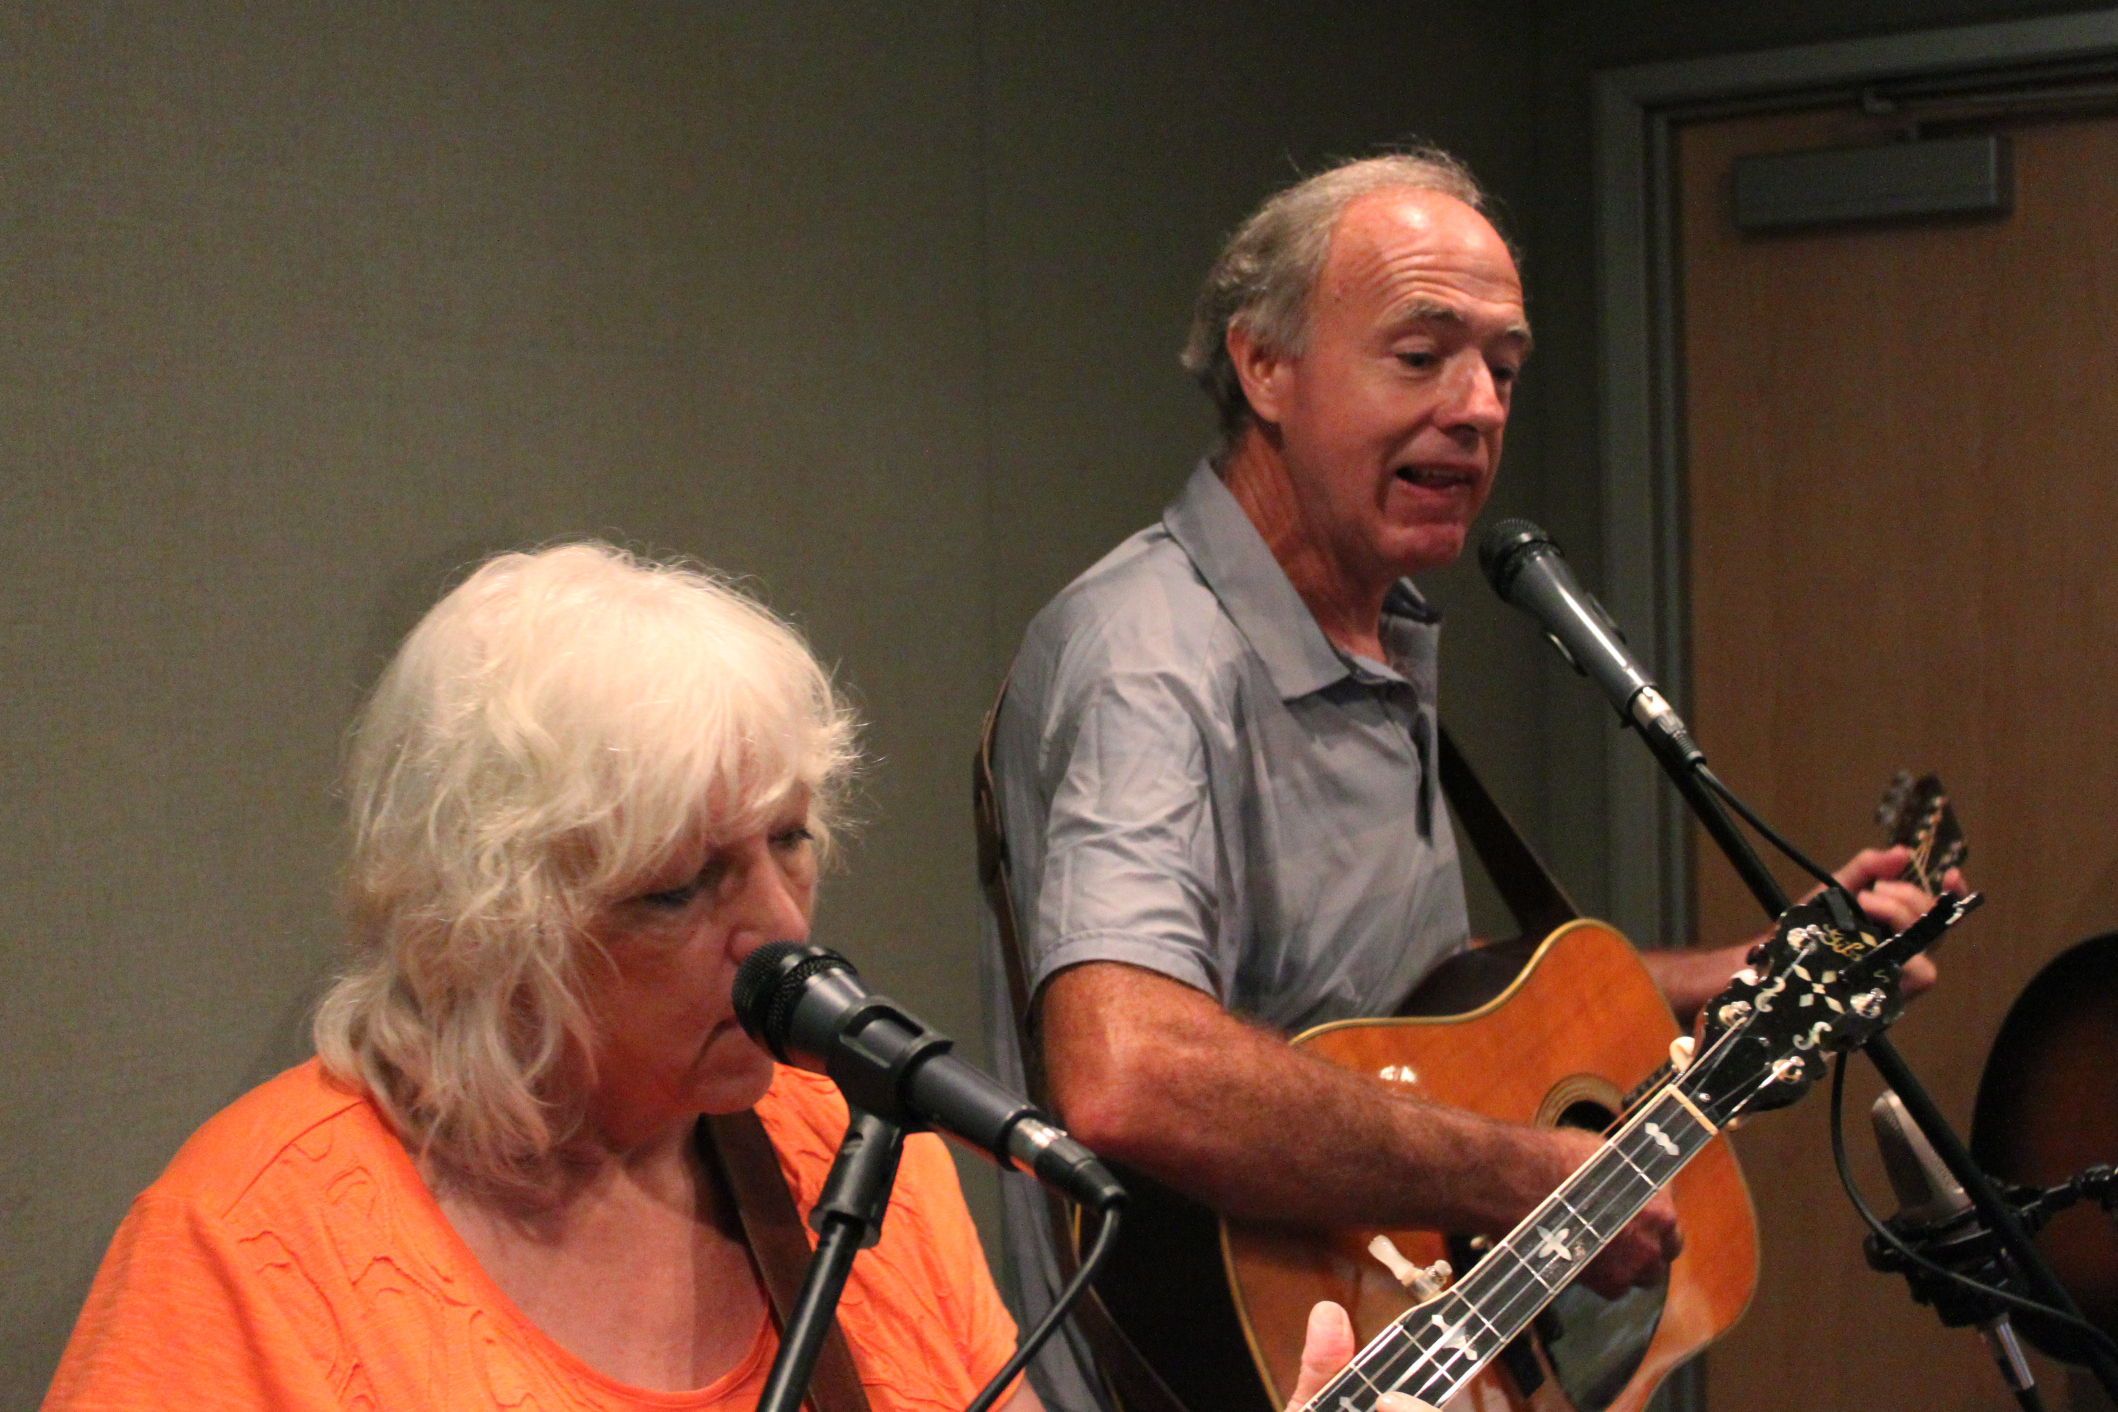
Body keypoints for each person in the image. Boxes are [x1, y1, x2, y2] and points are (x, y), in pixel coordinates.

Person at [978, 149, 1959, 1411]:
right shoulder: (1152, 654)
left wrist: (1735, 972)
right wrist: (1508, 1175)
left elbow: (1400, 1008)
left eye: (1503, 364)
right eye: (1422, 352)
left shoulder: (1367, 632)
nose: (1481, 405)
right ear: (1262, 367)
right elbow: (1131, 1066)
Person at [44, 542, 1036, 1412]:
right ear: (491, 927)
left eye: (790, 840)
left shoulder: (858, 1152)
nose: (781, 927)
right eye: (682, 887)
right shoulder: (250, 1240)